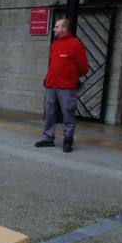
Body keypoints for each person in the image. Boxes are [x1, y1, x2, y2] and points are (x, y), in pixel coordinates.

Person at [35, 18, 89, 153]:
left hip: (67, 87)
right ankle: (48, 138)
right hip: (51, 85)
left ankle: (68, 140)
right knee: (49, 113)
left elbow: (83, 68)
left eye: (57, 27)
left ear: (64, 28)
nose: (54, 29)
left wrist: (71, 77)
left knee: (68, 113)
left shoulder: (75, 45)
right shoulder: (55, 45)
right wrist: (48, 78)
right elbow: (53, 65)